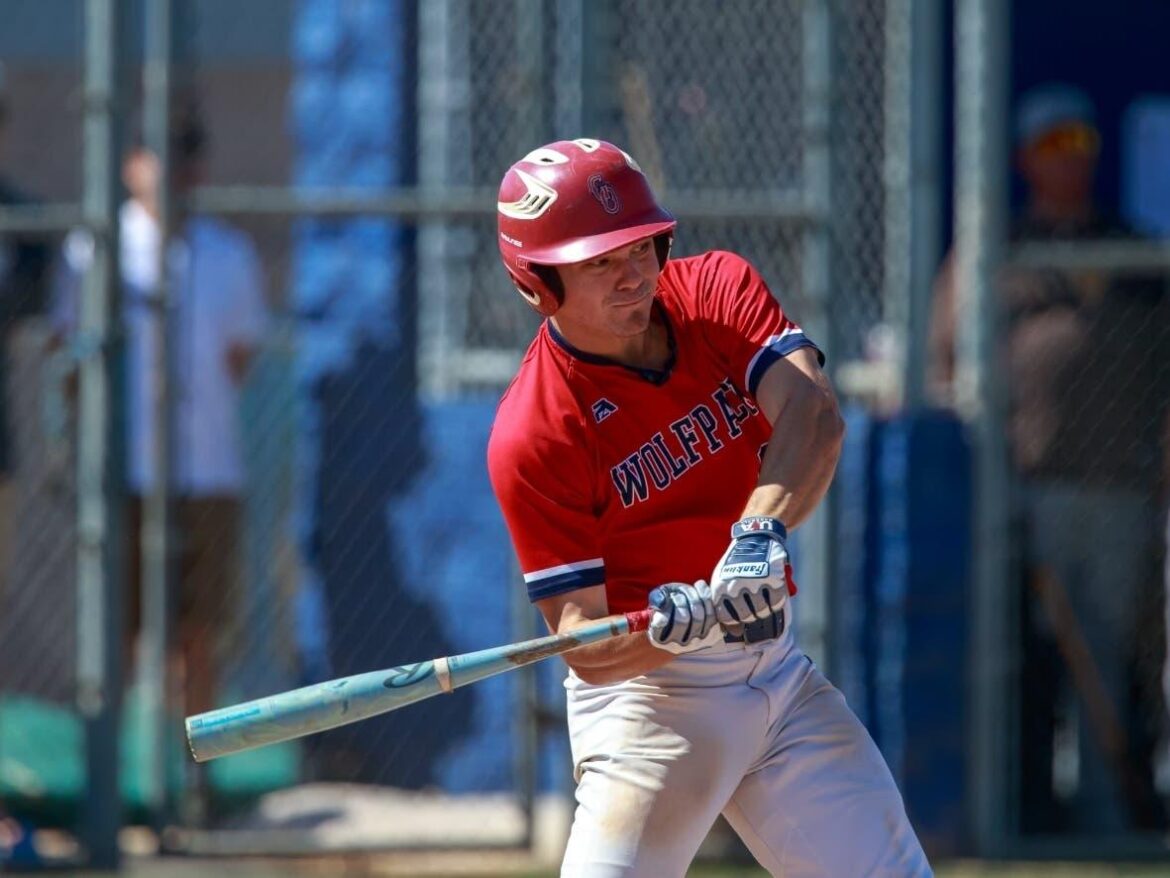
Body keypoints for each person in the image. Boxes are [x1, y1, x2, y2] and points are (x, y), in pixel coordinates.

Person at [487, 139, 930, 876]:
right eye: (599, 261)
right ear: (538, 282)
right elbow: (582, 643)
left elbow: (813, 417)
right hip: (650, 711)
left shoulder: (714, 291)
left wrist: (758, 532)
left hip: (779, 681)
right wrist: (668, 632)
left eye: (642, 246)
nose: (634, 275)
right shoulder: (534, 431)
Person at [929, 84, 1169, 833]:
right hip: (1025, 492)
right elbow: (942, 363)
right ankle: (1020, 810)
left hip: (1125, 486)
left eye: (1082, 144)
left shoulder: (1131, 245)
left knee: (1117, 657)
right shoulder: (999, 252)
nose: (1071, 161)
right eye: (1054, 146)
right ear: (1026, 160)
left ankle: (1113, 815)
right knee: (1025, 659)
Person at [51, 103, 270, 722]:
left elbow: (238, 358)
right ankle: (112, 791)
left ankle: (188, 783)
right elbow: (72, 356)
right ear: (130, 165)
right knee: (116, 634)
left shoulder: (228, 252)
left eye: (184, 156)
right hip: (126, 475)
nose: (172, 171)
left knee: (198, 636)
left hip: (208, 474)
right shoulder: (95, 250)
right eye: (158, 154)